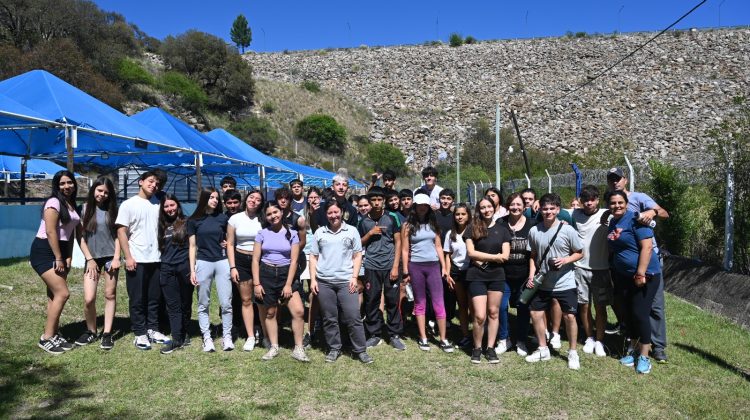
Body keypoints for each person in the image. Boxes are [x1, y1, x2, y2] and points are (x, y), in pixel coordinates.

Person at [606, 167, 670, 363]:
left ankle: (654, 350)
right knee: (631, 311)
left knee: (651, 309)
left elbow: (663, 217)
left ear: (625, 180)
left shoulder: (638, 210)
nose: (615, 181)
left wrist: (652, 211)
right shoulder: (612, 219)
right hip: (624, 273)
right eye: (611, 179)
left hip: (645, 269)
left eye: (618, 178)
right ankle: (634, 350)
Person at [524, 193, 584, 370]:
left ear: (558, 210)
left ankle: (573, 352)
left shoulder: (568, 230)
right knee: (535, 313)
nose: (548, 211)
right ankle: (543, 349)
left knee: (570, 316)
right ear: (539, 209)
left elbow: (580, 252)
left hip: (565, 282)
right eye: (545, 208)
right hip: (543, 281)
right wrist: (531, 275)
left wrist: (565, 260)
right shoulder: (534, 231)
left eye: (552, 208)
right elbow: (533, 256)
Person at [310, 199, 373, 364]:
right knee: (329, 317)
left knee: (353, 316)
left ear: (341, 213)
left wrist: (354, 277)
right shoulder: (319, 233)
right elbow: (313, 257)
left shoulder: (352, 231)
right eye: (329, 213)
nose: (333, 216)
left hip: (346, 281)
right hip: (324, 281)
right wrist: (313, 280)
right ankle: (334, 348)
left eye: (335, 212)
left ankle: (360, 350)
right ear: (326, 215)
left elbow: (358, 254)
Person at [116, 170, 168, 350]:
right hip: (137, 259)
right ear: (140, 182)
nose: (154, 185)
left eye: (157, 183)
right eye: (150, 181)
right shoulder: (128, 204)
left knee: (154, 298)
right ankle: (139, 333)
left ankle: (152, 329)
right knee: (137, 298)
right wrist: (128, 257)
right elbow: (121, 231)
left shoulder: (158, 203)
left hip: (156, 258)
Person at [252, 201, 307, 362]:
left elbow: (294, 261)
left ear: (281, 212)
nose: (273, 216)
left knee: (298, 311)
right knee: (270, 312)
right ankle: (273, 346)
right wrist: (257, 283)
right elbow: (255, 260)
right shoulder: (262, 233)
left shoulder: (292, 233)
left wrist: (289, 284)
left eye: (275, 212)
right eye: (269, 214)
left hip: (286, 274)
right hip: (266, 274)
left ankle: (299, 348)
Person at [32, 170, 80, 354]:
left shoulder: (71, 204)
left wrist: (68, 255)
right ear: (56, 186)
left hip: (59, 250)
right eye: (62, 183)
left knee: (53, 295)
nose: (67, 186)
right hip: (45, 251)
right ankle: (46, 338)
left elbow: (68, 233)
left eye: (70, 182)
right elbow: (52, 232)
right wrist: (59, 257)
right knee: (62, 293)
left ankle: (54, 333)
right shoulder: (53, 203)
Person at [401, 194, 452, 352]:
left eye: (425, 205)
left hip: (433, 266)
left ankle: (443, 339)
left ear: (428, 206)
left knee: (438, 302)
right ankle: (423, 337)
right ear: (415, 206)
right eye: (419, 205)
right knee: (420, 302)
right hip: (416, 266)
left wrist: (443, 266)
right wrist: (405, 270)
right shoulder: (407, 225)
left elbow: (438, 246)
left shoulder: (433, 223)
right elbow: (404, 249)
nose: (422, 207)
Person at [464, 197, 511, 364]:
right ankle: (477, 347)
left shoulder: (503, 230)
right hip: (476, 276)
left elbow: (505, 256)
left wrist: (491, 258)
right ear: (479, 210)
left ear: (494, 208)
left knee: (493, 312)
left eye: (489, 207)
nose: (486, 210)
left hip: (497, 276)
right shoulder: (472, 229)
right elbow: (471, 253)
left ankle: (490, 348)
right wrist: (494, 257)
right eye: (482, 207)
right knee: (479, 315)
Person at [76, 176, 120, 350]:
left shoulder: (113, 211)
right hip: (92, 259)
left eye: (106, 192)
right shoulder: (84, 209)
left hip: (110, 258)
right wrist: (89, 259)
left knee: (110, 295)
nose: (102, 195)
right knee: (89, 299)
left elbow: (118, 236)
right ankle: (91, 331)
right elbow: (80, 238)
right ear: (93, 189)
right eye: (100, 190)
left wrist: (117, 258)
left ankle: (107, 333)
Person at [358, 187, 405, 351]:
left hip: (389, 266)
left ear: (383, 200)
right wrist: (370, 233)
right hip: (371, 266)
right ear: (369, 202)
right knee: (372, 301)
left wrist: (395, 267)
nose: (376, 203)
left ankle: (394, 334)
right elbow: (359, 244)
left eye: (379, 199)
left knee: (393, 301)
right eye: (373, 200)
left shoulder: (392, 217)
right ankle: (374, 334)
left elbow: (398, 242)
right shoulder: (363, 221)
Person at [188, 188, 233, 352]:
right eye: (211, 197)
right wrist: (192, 270)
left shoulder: (223, 218)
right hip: (203, 262)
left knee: (226, 302)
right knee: (203, 303)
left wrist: (227, 243)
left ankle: (226, 336)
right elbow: (192, 246)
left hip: (222, 262)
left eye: (216, 198)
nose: (215, 200)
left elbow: (229, 240)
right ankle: (206, 337)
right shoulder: (194, 220)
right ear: (204, 199)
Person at [572, 185, 612, 357]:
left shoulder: (607, 214)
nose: (589, 203)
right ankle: (589, 337)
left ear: (597, 200)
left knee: (600, 307)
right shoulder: (575, 214)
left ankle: (600, 340)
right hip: (580, 268)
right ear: (581, 201)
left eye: (592, 199)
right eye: (585, 200)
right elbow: (554, 209)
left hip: (601, 269)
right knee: (584, 305)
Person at [227, 189, 265, 352]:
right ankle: (250, 335)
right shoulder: (235, 218)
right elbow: (230, 243)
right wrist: (233, 267)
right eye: (251, 197)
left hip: (261, 260)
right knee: (246, 299)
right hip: (241, 260)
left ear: (261, 203)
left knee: (263, 299)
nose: (254, 201)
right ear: (246, 199)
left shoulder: (264, 219)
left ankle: (264, 332)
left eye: (258, 199)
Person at [498, 193, 535, 357]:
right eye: (512, 204)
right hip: (503, 274)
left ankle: (521, 340)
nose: (515, 207)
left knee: (523, 307)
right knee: (501, 307)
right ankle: (504, 339)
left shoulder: (532, 225)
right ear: (507, 206)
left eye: (519, 204)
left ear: (524, 206)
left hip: (524, 275)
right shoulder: (501, 223)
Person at [157, 195, 192, 354]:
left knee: (185, 302)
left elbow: (194, 245)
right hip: (166, 268)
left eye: (172, 205)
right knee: (172, 305)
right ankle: (177, 338)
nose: (170, 209)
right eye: (166, 206)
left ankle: (185, 334)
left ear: (178, 206)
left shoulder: (186, 222)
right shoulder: (161, 225)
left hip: (184, 267)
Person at [443, 203, 472, 348]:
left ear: (468, 216)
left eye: (463, 214)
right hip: (456, 272)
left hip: (472, 271)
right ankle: (466, 334)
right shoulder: (450, 234)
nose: (460, 217)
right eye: (457, 214)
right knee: (462, 304)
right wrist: (447, 273)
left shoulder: (474, 231)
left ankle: (478, 333)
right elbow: (447, 255)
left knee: (474, 305)